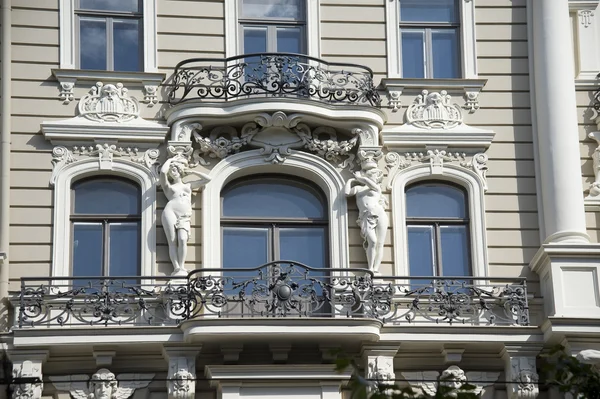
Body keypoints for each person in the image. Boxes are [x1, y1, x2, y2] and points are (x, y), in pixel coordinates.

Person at [160, 156, 211, 275]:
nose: (173, 172)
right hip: (170, 212)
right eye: (171, 171)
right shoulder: (168, 187)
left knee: (182, 239)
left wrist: (193, 171)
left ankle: (182, 266)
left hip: (184, 215)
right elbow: (162, 172)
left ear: (180, 171)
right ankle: (177, 268)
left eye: (175, 170)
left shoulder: (188, 185)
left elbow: (208, 179)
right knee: (172, 240)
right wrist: (170, 160)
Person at [344, 166, 388, 274]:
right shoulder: (359, 188)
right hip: (366, 216)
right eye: (373, 174)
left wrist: (359, 177)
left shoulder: (376, 187)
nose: (374, 177)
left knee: (380, 243)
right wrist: (350, 180)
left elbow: (368, 182)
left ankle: (375, 269)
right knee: (372, 241)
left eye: (376, 175)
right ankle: (370, 268)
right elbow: (347, 193)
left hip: (380, 214)